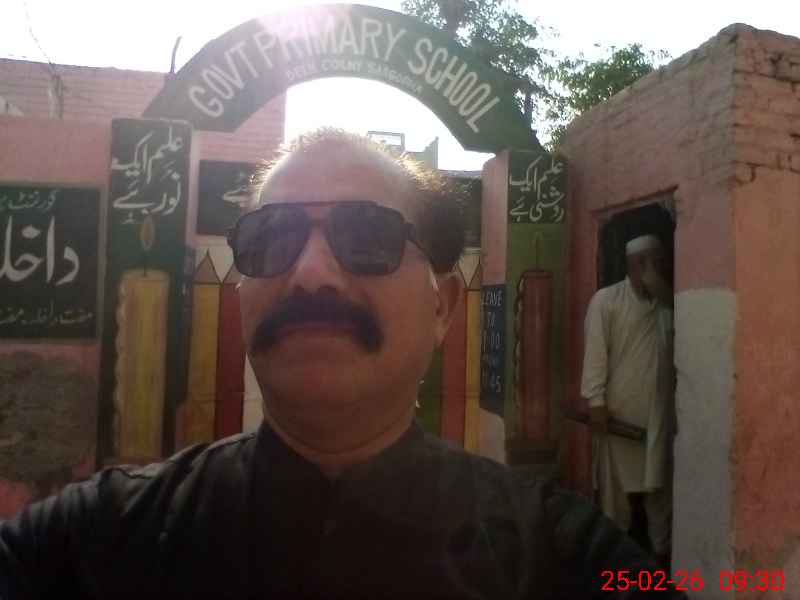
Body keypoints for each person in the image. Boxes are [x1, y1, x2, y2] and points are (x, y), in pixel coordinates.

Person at [1, 130, 687, 599]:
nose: (311, 273)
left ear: (443, 305)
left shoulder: (561, 557)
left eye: (366, 237)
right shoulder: (96, 539)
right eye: (271, 238)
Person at [581, 234, 676, 566]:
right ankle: (614, 570)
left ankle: (660, 563)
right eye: (647, 264)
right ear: (633, 265)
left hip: (659, 423)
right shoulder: (606, 301)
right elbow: (596, 353)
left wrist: (661, 290)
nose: (654, 270)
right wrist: (596, 402)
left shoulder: (667, 308)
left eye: (659, 263)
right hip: (618, 422)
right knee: (615, 500)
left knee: (660, 498)